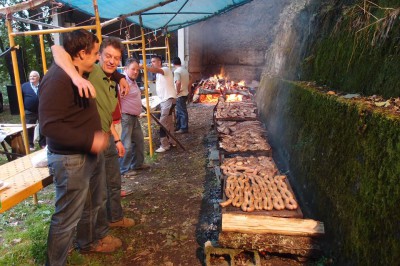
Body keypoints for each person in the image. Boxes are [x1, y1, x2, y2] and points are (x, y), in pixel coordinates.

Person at [51, 36, 134, 250]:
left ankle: (101, 233)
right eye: (106, 55)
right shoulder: (91, 72)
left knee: (104, 191)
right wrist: (75, 77)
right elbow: (56, 49)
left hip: (105, 138)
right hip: (87, 143)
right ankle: (88, 241)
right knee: (92, 198)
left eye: (116, 58)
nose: (111, 61)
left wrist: (119, 77)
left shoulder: (112, 78)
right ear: (98, 56)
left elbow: (107, 114)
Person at [39, 30, 110, 266]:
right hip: (70, 160)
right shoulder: (57, 79)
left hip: (87, 155)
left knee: (92, 203)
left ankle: (87, 243)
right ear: (81, 53)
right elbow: (49, 127)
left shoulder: (79, 71)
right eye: (96, 53)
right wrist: (89, 141)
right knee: (66, 219)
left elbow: (58, 49)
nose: (98, 58)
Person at [119, 58, 150, 177]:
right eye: (133, 69)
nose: (136, 72)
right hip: (125, 117)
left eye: (137, 69)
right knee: (126, 144)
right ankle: (124, 169)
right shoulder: (122, 81)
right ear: (126, 69)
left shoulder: (133, 81)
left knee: (139, 141)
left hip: (134, 117)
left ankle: (137, 164)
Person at [144, 55, 177, 153]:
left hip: (168, 100)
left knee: (162, 123)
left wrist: (143, 67)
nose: (152, 63)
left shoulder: (165, 69)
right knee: (169, 122)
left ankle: (165, 145)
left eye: (154, 61)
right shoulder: (159, 74)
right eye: (151, 62)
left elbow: (155, 70)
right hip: (165, 100)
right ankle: (172, 141)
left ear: (159, 62)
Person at [22, 70, 46, 150]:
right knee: (29, 127)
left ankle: (43, 143)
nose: (32, 77)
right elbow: (20, 98)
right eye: (30, 76)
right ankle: (30, 145)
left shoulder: (43, 85)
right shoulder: (24, 86)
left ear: (38, 78)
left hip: (42, 110)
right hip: (29, 111)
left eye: (34, 76)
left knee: (42, 127)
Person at [172, 57, 190, 134]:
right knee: (179, 111)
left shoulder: (177, 72)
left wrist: (177, 91)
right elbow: (191, 78)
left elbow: (178, 82)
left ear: (173, 64)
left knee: (182, 112)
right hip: (185, 92)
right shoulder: (184, 70)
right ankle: (178, 126)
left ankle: (184, 128)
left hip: (180, 94)